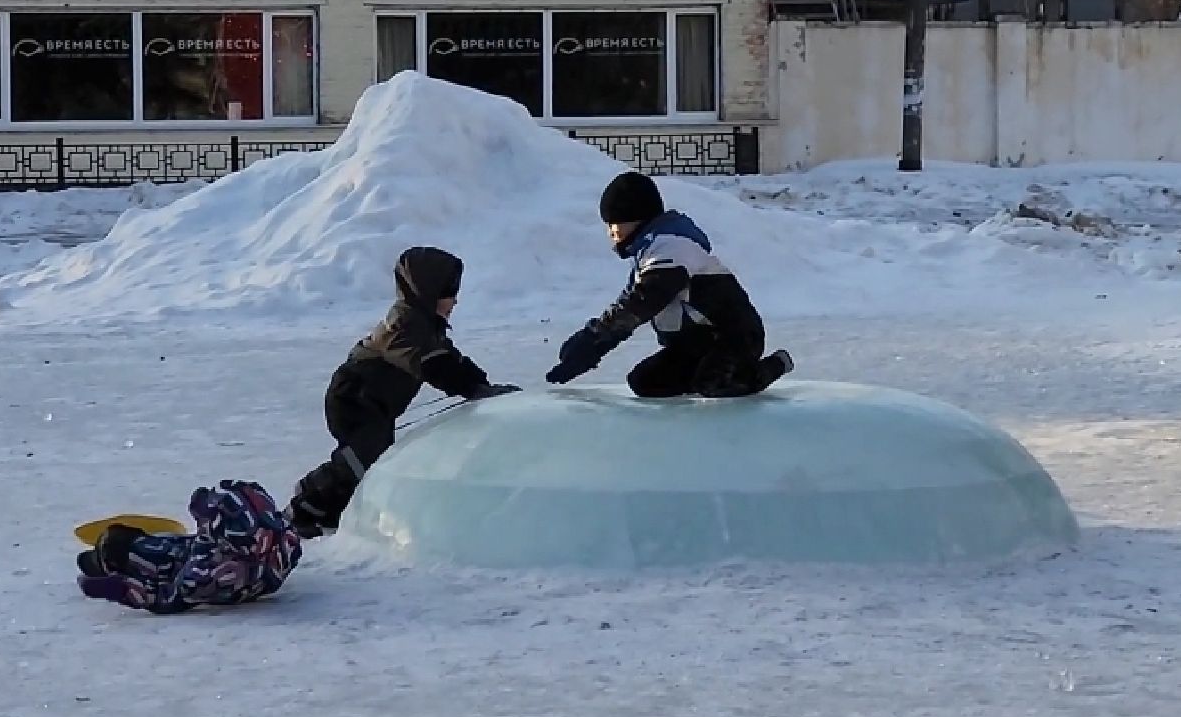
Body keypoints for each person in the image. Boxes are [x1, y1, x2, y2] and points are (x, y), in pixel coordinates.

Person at [287, 246, 518, 539]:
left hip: (375, 404)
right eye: (448, 293)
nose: (455, 301)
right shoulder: (404, 323)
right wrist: (473, 389)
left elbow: (451, 358)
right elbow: (432, 364)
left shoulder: (425, 324)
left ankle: (335, 510)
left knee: (372, 458)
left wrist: (482, 384)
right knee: (364, 457)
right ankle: (307, 503)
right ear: (428, 290)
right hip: (353, 398)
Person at [547, 171, 794, 398]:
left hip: (733, 338)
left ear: (639, 218)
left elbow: (642, 302)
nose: (611, 232)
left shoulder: (673, 248)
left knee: (712, 383)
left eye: (616, 222)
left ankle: (773, 366)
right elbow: (627, 304)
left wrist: (593, 340)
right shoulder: (647, 255)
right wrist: (590, 347)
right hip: (694, 346)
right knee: (645, 382)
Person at [76, 480, 300, 613]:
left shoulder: (203, 573)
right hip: (236, 560)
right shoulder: (282, 533)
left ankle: (110, 559)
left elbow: (168, 598)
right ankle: (119, 552)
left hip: (196, 569)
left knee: (124, 547)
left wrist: (121, 590)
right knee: (162, 548)